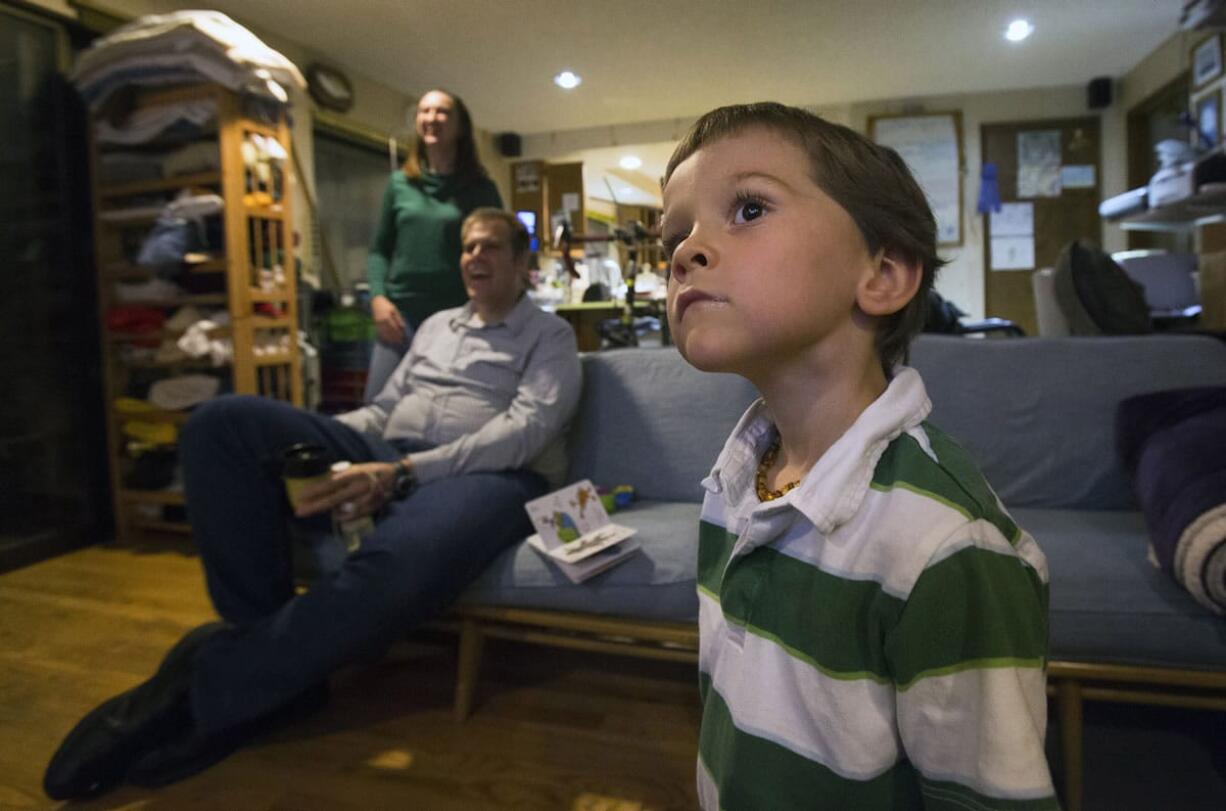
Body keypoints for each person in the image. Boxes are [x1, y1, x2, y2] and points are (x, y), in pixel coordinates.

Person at [44, 209, 580, 799]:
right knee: (221, 425)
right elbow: (380, 410)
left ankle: (211, 686)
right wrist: (327, 451)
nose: (474, 257)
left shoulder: (550, 336)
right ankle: (275, 669)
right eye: (467, 247)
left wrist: (402, 473)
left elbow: (524, 432)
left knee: (396, 560)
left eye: (491, 247)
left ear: (523, 262)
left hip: (493, 477)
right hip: (388, 450)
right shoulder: (433, 328)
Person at [661, 103, 1058, 810]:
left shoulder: (944, 544)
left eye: (748, 208)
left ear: (883, 274)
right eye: (673, 234)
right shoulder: (729, 485)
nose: (684, 250)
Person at [365, 88, 504, 401]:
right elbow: (378, 250)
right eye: (424, 111)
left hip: (459, 318)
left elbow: (502, 251)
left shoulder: (481, 189)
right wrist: (377, 299)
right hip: (400, 319)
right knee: (379, 407)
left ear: (460, 127)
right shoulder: (400, 184)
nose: (431, 118)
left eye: (442, 111)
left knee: (448, 409)